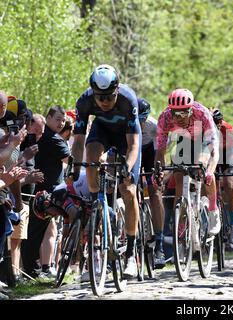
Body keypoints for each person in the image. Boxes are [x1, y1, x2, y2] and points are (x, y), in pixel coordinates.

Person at [71, 64, 142, 278]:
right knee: (91, 155)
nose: (103, 102)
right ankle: (97, 203)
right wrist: (75, 166)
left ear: (117, 90)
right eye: (99, 97)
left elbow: (133, 145)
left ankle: (130, 255)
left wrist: (127, 169)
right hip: (101, 132)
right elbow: (79, 140)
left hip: (126, 138)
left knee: (128, 190)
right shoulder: (84, 101)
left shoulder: (128, 100)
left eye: (108, 97)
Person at [154, 89, 221, 241]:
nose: (179, 117)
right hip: (185, 140)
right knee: (178, 175)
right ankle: (182, 221)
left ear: (191, 109)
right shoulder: (165, 117)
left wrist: (210, 171)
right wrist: (158, 171)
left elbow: (214, 151)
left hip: (204, 138)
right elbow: (160, 149)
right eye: (175, 114)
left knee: (202, 165)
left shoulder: (202, 113)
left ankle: (212, 209)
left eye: (184, 113)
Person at [21, 106, 70, 278]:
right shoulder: (54, 139)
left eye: (63, 120)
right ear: (48, 118)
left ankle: (34, 270)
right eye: (57, 119)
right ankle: (31, 271)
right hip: (47, 193)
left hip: (47, 190)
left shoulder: (51, 137)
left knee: (41, 231)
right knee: (36, 232)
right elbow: (69, 160)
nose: (61, 123)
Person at [137, 97, 166, 269]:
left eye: (142, 120)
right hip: (132, 149)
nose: (140, 124)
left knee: (155, 191)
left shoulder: (154, 126)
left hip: (150, 153)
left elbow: (159, 154)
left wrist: (156, 174)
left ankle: (160, 244)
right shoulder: (127, 124)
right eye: (137, 120)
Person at [211, 108, 233, 250]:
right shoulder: (201, 129)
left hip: (226, 157)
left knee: (229, 185)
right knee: (210, 185)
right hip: (211, 157)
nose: (216, 126)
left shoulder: (227, 129)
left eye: (218, 122)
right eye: (213, 123)